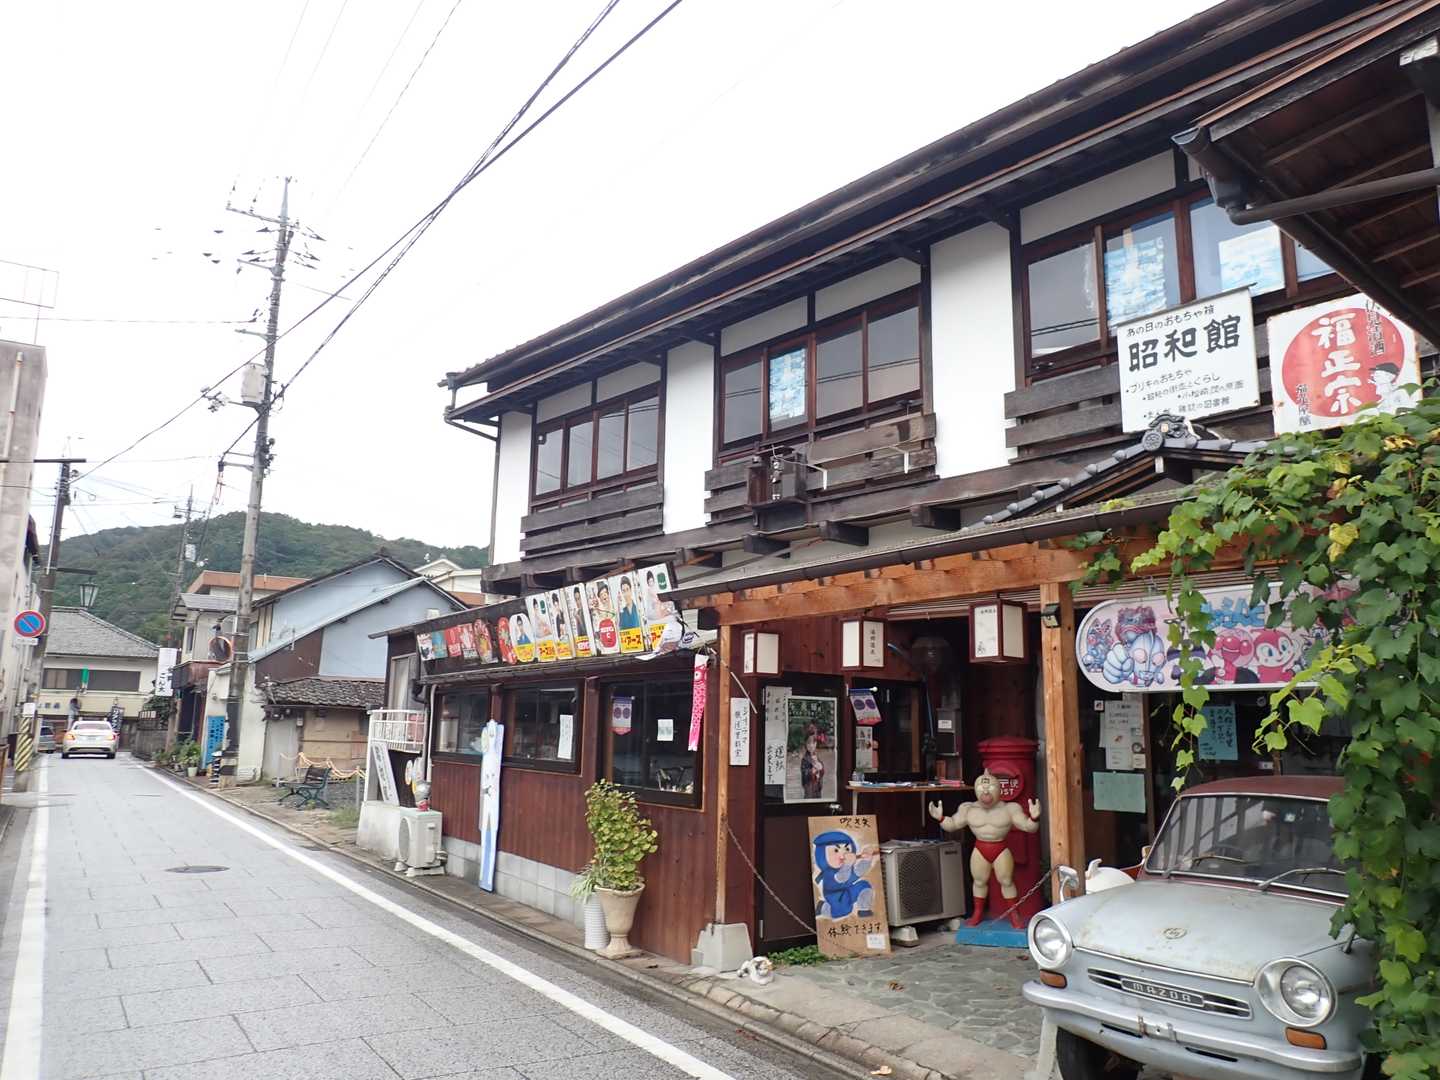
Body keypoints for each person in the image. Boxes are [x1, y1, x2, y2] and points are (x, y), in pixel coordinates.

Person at [812, 829, 878, 919]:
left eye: (847, 849)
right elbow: (842, 878)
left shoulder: (848, 866)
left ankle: (864, 910)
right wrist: (847, 865)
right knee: (844, 911)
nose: (843, 854)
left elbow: (857, 873)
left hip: (847, 891)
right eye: (836, 850)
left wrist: (866, 860)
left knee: (864, 886)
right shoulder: (829, 872)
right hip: (835, 896)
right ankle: (823, 907)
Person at [800, 725, 825, 799]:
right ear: (805, 744)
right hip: (809, 790)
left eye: (813, 743)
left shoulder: (817, 757)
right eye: (809, 743)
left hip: (817, 789)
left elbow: (822, 772)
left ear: (816, 744)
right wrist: (812, 771)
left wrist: (821, 768)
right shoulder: (805, 759)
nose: (811, 746)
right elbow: (804, 774)